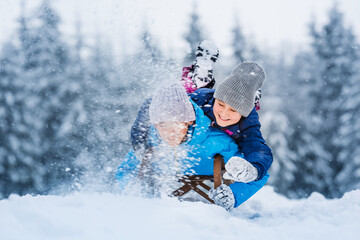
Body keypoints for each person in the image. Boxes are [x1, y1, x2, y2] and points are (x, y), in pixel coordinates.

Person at [116, 82, 269, 210]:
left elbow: (257, 174)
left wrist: (233, 196)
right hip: (162, 211)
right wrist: (134, 190)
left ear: (188, 120)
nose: (169, 132)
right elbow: (125, 169)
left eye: (175, 125)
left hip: (201, 206)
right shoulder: (151, 141)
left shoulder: (216, 141)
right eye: (162, 126)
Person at [131, 61, 272, 184]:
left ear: (242, 113)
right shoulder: (203, 99)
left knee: (249, 158)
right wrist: (139, 141)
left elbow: (258, 148)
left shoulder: (247, 123)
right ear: (215, 98)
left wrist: (254, 168)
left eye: (233, 111)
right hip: (198, 116)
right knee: (185, 93)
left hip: (218, 146)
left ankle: (252, 96)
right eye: (221, 104)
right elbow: (157, 103)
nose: (223, 114)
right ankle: (197, 75)